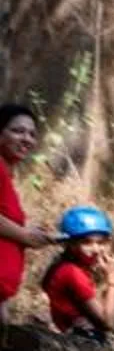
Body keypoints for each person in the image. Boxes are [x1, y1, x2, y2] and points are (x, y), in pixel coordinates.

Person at [0, 103, 60, 314]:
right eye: (18, 131)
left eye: (32, 134)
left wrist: (30, 234)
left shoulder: (7, 175)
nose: (27, 139)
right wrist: (25, 235)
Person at [41, 207, 114, 342]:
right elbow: (107, 323)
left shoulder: (65, 268)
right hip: (79, 343)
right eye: (87, 242)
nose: (96, 249)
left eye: (101, 242)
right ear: (71, 244)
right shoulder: (72, 273)